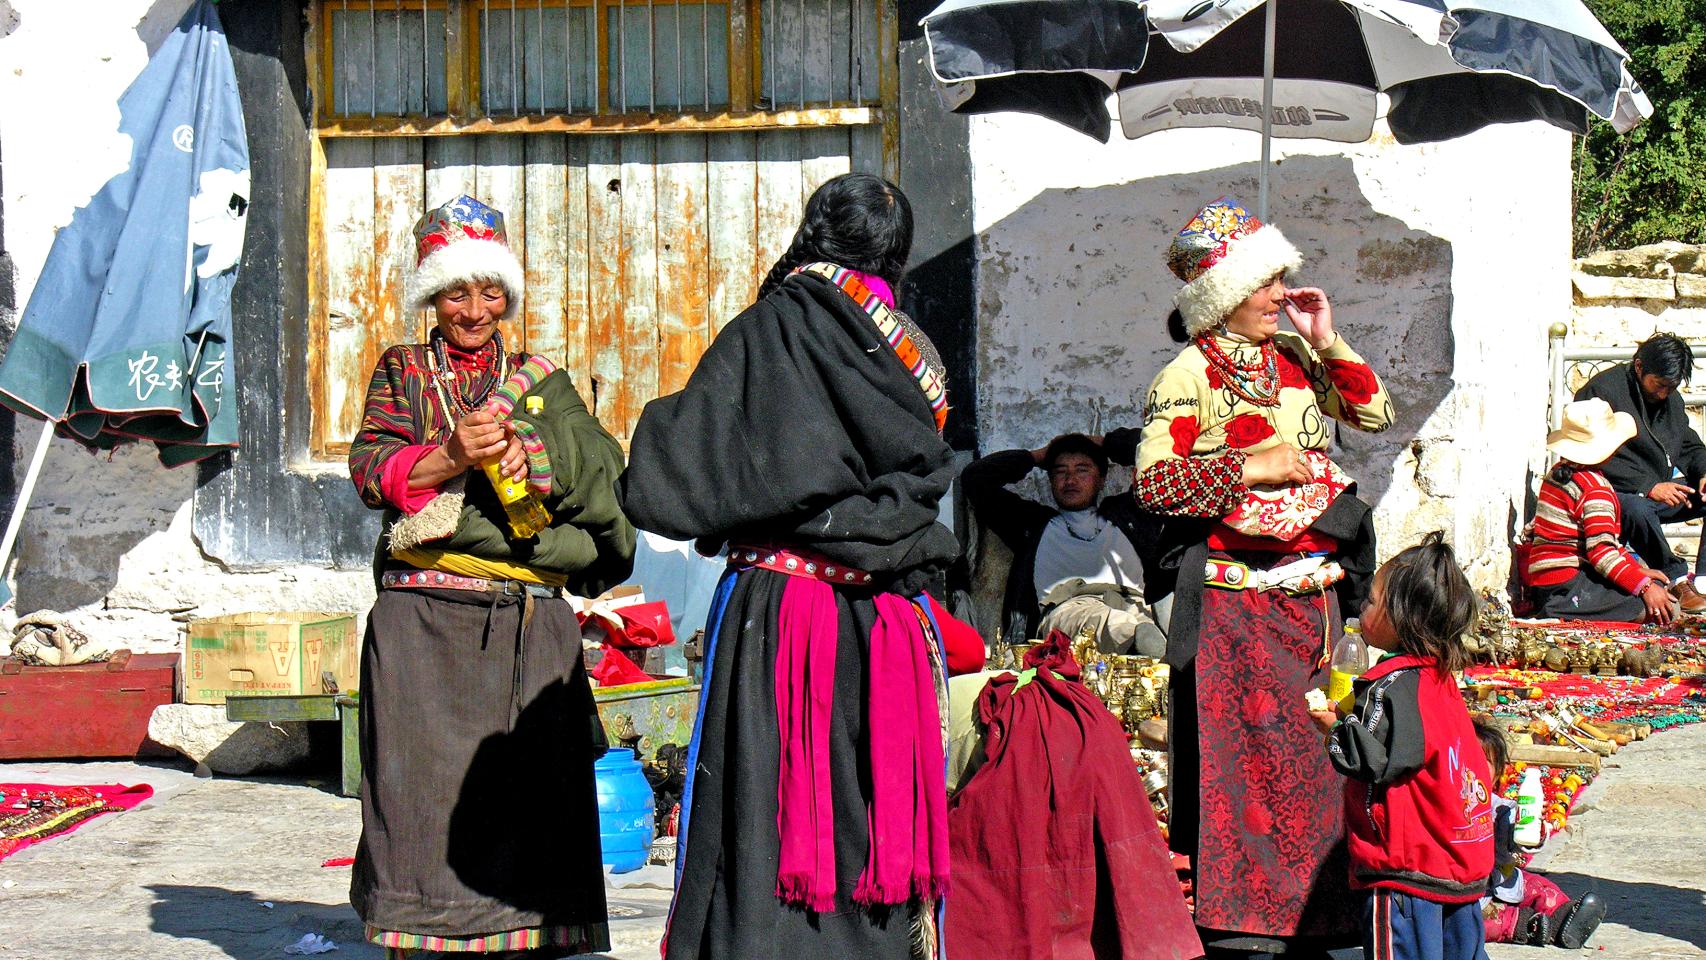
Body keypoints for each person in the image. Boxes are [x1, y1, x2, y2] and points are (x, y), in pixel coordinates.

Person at [616, 173, 960, 960]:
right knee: (869, 809)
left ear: (814, 234)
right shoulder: (915, 350)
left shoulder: (770, 331)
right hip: (888, 621)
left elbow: (667, 485)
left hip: (785, 613)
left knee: (769, 806)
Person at [346, 195, 636, 959]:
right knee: (420, 799)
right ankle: (426, 938)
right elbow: (369, 469)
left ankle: (532, 941)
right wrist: (451, 454)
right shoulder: (402, 370)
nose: (475, 310)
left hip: (524, 619)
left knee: (533, 797)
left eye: (490, 291)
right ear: (430, 297)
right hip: (423, 628)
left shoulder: (540, 381)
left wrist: (534, 453)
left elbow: (600, 476)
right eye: (455, 292)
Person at [1135, 196, 1393, 944]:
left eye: (1281, 280)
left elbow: (1373, 414)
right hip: (1236, 618)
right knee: (1245, 771)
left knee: (1318, 765)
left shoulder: (1296, 360)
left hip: (1314, 606)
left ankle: (1319, 921)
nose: (1281, 295)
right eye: (1266, 283)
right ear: (1222, 296)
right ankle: (1246, 929)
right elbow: (1154, 484)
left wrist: (1327, 336)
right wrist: (1256, 463)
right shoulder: (1185, 376)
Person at [1322, 534, 1494, 960]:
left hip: (1405, 872)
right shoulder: (1439, 678)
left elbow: (1370, 758)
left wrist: (1333, 727)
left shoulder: (1392, 685)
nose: (1364, 603)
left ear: (1404, 618)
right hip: (1456, 865)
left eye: (1375, 600)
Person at [961, 431, 1166, 653]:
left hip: (1134, 603)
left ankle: (1146, 640)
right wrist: (1037, 456)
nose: (1070, 480)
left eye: (1082, 470)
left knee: (1143, 620)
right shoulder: (1032, 524)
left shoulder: (1129, 516)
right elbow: (975, 479)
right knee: (1101, 621)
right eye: (1060, 472)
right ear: (1050, 480)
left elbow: (1161, 455)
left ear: (1101, 478)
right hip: (1068, 608)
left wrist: (1107, 443)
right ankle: (1139, 639)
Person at [1574, 333, 1706, 612]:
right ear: (1638, 367)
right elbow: (1587, 456)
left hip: (1655, 492)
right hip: (1609, 495)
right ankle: (1677, 578)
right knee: (1635, 507)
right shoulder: (1602, 392)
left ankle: (1703, 582)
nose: (1663, 394)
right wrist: (1647, 485)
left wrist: (1704, 472)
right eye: (1658, 385)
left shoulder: (1671, 399)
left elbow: (1688, 445)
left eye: (1670, 387)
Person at [1522, 398, 1676, 624]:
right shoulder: (1595, 489)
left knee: (1649, 582)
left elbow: (1601, 545)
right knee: (1667, 608)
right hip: (1568, 587)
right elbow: (1601, 552)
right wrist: (1644, 588)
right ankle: (1563, 609)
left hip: (1547, 581)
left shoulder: (1558, 473)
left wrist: (1635, 571)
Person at [1471, 720, 1607, 949]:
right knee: (1486, 922)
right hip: (1470, 897)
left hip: (1503, 879)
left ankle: (1566, 916)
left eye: (1484, 762)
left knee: (1540, 887)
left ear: (1496, 777)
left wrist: (1536, 828)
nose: (1474, 768)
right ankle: (1528, 926)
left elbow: (1519, 830)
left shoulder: (1500, 808)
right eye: (1468, 760)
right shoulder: (1446, 806)